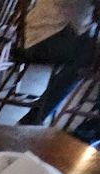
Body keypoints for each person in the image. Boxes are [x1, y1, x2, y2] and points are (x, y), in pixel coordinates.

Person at [18, 0, 99, 143]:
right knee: (88, 58)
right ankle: (88, 130)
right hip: (45, 37)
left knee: (91, 55)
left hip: (60, 34)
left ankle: (90, 128)